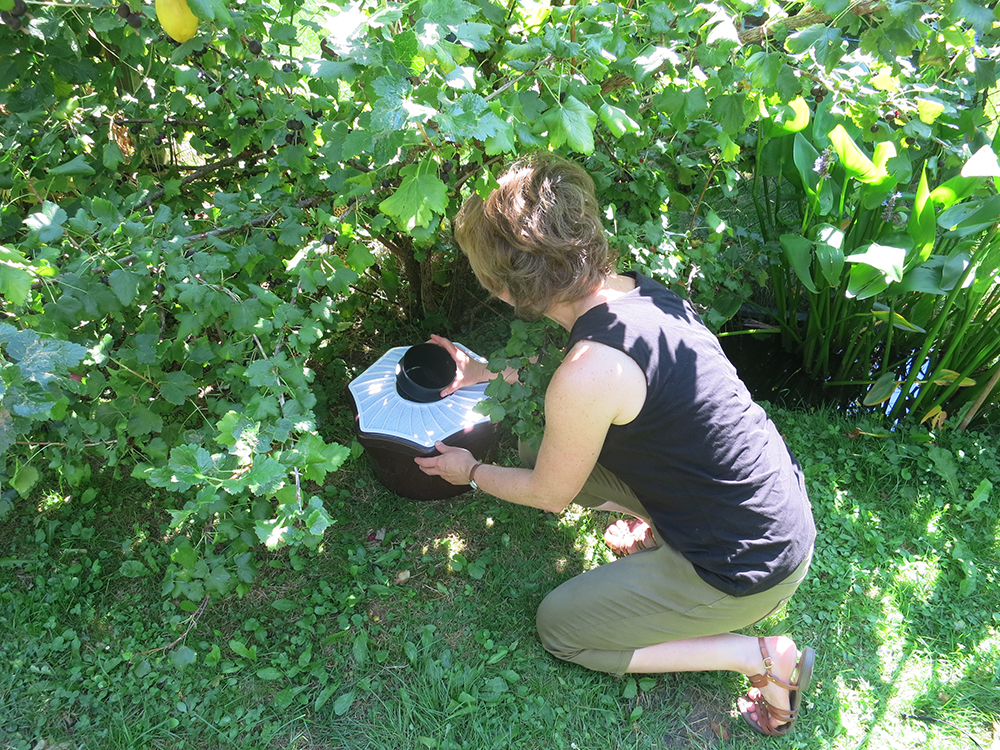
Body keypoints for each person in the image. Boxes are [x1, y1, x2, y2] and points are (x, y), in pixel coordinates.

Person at [414, 152, 817, 737]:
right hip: (768, 515)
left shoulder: (588, 372)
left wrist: (471, 471)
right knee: (536, 442)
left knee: (562, 629)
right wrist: (479, 372)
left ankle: (758, 657)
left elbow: (550, 491)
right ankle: (659, 532)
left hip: (747, 565)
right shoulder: (641, 296)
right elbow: (584, 383)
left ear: (506, 290)